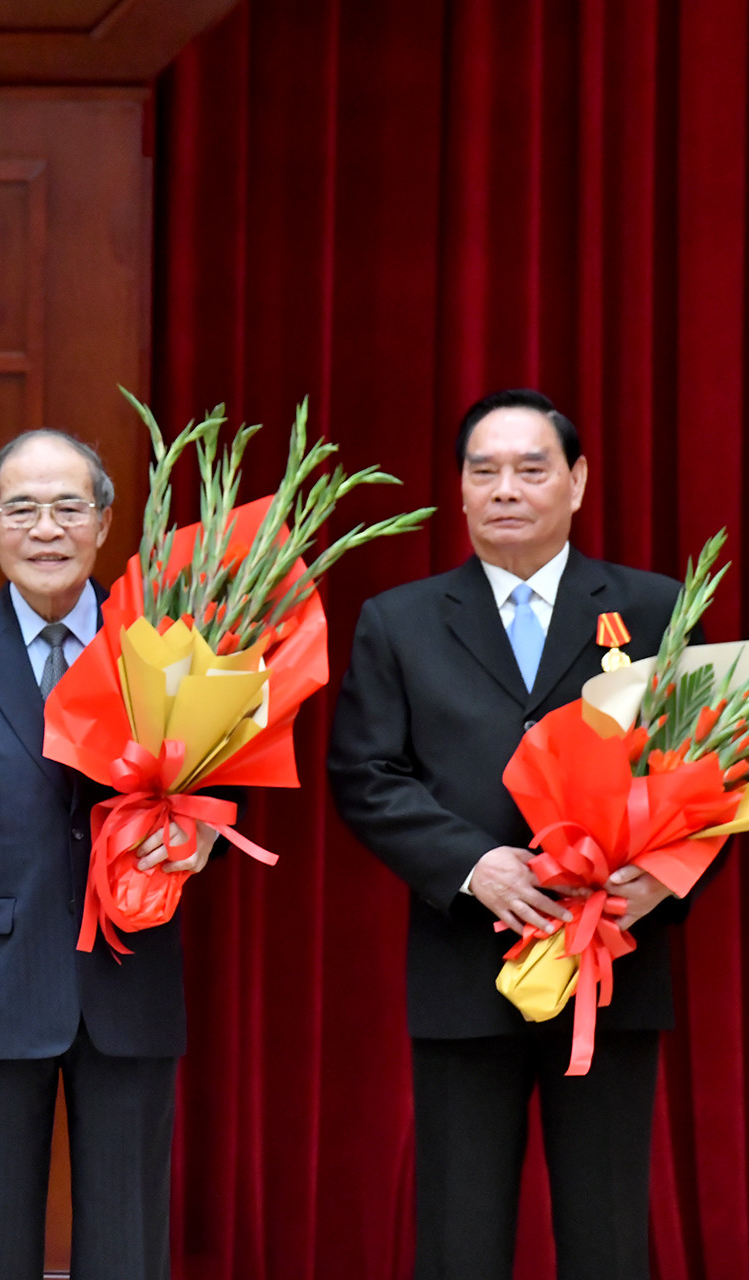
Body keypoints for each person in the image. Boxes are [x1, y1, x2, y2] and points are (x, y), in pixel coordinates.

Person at [328, 389, 701, 1280]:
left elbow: (711, 771)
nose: (506, 488)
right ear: (458, 490)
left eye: (531, 468)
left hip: (612, 962)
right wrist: (471, 864)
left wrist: (661, 879)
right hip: (467, 962)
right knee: (460, 1235)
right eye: (483, 470)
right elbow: (365, 775)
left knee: (609, 1234)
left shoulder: (654, 609)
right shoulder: (401, 618)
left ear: (575, 482)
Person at [0, 430, 218, 1280]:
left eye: (68, 508)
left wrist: (200, 840)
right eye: (23, 509)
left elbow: (217, 786)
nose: (47, 528)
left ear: (104, 522)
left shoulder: (164, 646)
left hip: (131, 974)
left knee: (128, 1243)